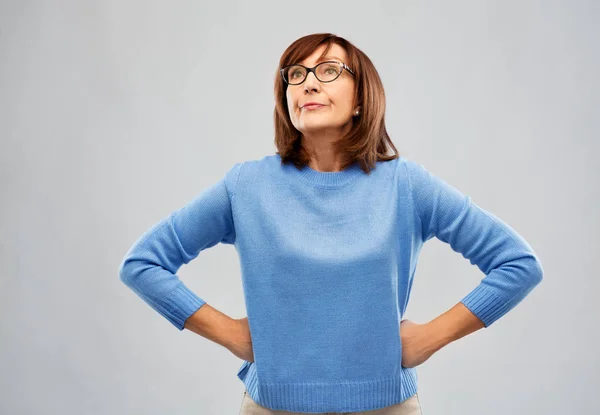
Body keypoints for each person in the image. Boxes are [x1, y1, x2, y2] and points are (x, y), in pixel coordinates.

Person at [119, 33, 544, 415]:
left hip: (387, 409)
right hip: (273, 409)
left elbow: (518, 264)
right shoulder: (246, 186)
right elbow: (142, 263)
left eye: (328, 70)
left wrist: (430, 337)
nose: (308, 82)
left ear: (361, 97)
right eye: (296, 74)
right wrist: (229, 333)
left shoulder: (406, 185)